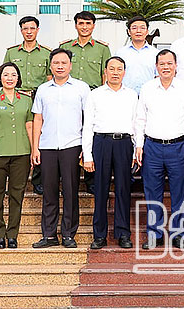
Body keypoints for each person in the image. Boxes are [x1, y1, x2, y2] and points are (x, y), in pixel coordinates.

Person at [134, 49, 184, 249]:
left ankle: (178, 234)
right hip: (152, 146)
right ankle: (155, 234)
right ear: (156, 66)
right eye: (162, 64)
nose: (166, 67)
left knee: (180, 192)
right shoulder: (147, 88)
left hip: (178, 146)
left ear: (176, 66)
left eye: (170, 63)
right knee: (152, 192)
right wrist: (139, 145)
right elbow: (140, 118)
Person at [31, 49, 89, 249]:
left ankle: (68, 234)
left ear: (70, 65)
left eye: (64, 63)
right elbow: (37, 119)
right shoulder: (43, 89)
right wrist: (35, 148)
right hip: (47, 146)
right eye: (56, 63)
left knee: (71, 191)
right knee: (49, 192)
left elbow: (88, 120)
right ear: (51, 66)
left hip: (72, 145)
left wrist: (86, 148)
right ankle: (49, 235)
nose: (60, 66)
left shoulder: (81, 88)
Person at [82, 56, 138, 250]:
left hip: (124, 143)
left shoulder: (131, 95)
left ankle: (123, 233)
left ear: (124, 72)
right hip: (102, 143)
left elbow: (136, 123)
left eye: (119, 69)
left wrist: (136, 148)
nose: (115, 72)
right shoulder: (95, 95)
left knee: (123, 189)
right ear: (104, 71)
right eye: (111, 68)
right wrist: (87, 155)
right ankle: (99, 235)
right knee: (100, 190)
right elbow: (87, 125)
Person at [0, 62, 33, 249]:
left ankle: (12, 234)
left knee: (17, 195)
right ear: (0, 78)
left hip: (21, 154)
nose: (9, 78)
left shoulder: (26, 100)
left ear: (18, 78)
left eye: (13, 75)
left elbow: (29, 126)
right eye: (6, 75)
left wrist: (34, 150)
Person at [60, 10, 111, 195]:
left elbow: (105, 75)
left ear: (93, 26)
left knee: (91, 136)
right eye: (81, 23)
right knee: (69, 136)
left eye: (88, 24)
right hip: (68, 99)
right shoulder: (65, 46)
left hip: (92, 97)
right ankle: (68, 176)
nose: (84, 27)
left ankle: (91, 179)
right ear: (75, 25)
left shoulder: (102, 49)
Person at [3, 15, 50, 194]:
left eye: (32, 28)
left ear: (38, 30)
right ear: (21, 30)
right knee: (15, 138)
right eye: (25, 29)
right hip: (17, 98)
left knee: (38, 138)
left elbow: (49, 80)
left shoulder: (47, 53)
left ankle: (38, 180)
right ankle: (12, 182)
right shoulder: (12, 52)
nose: (29, 32)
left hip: (38, 98)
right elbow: (5, 75)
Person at [116, 16, 159, 92]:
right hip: (125, 95)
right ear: (129, 32)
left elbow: (158, 76)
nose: (138, 31)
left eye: (142, 28)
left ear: (147, 31)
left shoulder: (155, 53)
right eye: (134, 28)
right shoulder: (120, 53)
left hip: (149, 94)